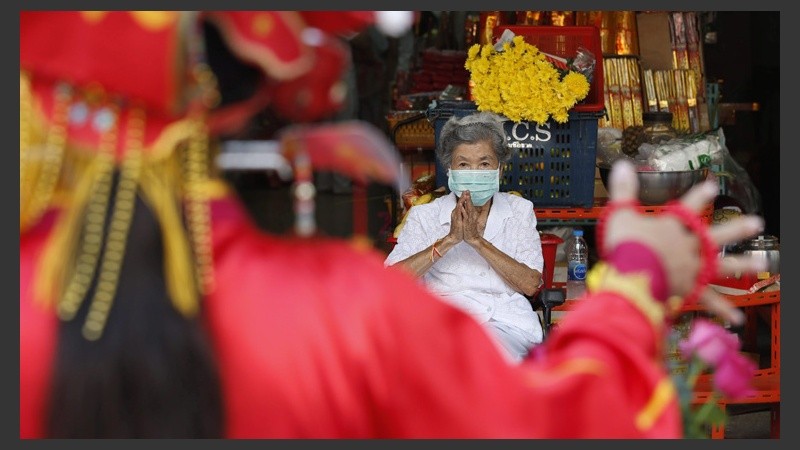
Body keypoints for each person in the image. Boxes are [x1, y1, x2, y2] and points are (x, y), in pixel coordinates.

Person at [20, 11, 766, 439]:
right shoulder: (344, 312)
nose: (473, 168)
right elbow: (562, 422)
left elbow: (535, 283)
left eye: (484, 158)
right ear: (254, 96)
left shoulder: (513, 210)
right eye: (463, 158)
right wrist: (633, 286)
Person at [385, 112, 545, 362]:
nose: (475, 172)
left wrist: (477, 242)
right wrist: (448, 241)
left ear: (499, 170)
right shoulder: (425, 215)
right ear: (449, 170)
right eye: (463, 164)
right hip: (440, 324)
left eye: (484, 164)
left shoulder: (518, 211)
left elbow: (530, 283)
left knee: (482, 361)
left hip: (504, 324)